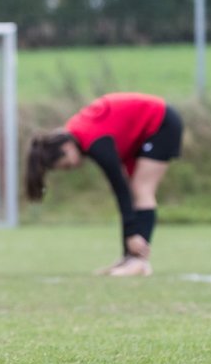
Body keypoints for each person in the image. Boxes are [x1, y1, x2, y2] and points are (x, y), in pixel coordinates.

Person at [25, 92, 183, 277]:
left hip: (161, 123)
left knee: (142, 189)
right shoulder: (79, 135)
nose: (72, 168)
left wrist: (132, 234)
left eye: (67, 165)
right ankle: (128, 258)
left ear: (66, 148)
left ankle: (139, 261)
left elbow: (120, 189)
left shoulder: (95, 141)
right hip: (142, 131)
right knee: (135, 190)